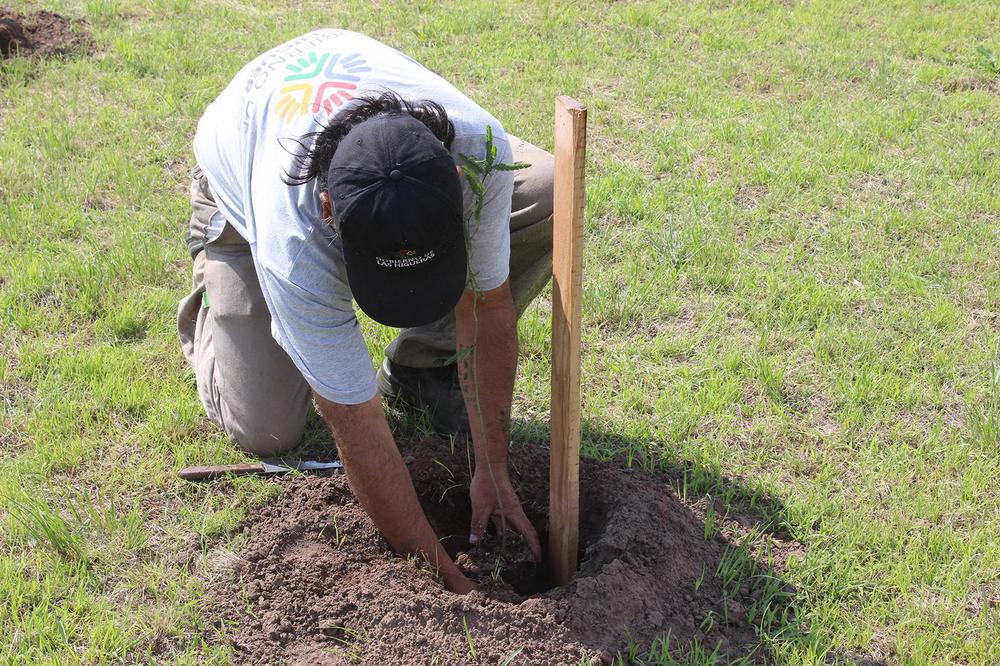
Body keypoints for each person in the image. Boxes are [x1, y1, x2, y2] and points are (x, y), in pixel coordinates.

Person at [176, 29, 554, 593]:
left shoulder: (480, 155)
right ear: (329, 211)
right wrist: (446, 581)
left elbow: (488, 307)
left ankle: (421, 369)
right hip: (241, 186)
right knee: (267, 430)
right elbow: (354, 421)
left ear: (452, 182)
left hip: (349, 108)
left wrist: (494, 470)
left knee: (548, 188)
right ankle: (216, 297)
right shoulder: (294, 238)